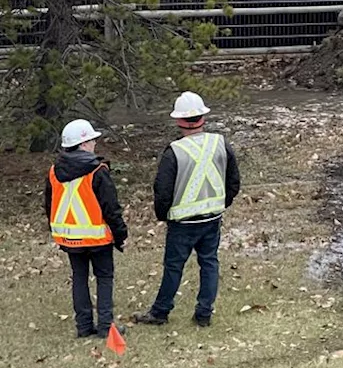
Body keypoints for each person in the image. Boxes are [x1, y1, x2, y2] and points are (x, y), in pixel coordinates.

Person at [132, 92, 240, 328]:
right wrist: (223, 202)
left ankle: (160, 312)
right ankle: (204, 313)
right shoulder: (220, 143)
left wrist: (163, 215)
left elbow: (162, 190)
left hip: (182, 222)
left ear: (179, 121)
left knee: (173, 267)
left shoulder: (174, 151)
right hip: (212, 217)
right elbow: (234, 181)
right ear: (203, 117)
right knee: (209, 263)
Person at [44, 119, 128, 338]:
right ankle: (105, 327)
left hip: (69, 239)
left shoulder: (54, 172)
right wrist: (120, 234)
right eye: (92, 140)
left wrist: (58, 233)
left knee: (79, 278)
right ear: (83, 144)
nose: (94, 144)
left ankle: (83, 326)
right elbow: (111, 208)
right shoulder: (97, 170)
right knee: (104, 278)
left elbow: (48, 205)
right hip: (98, 239)